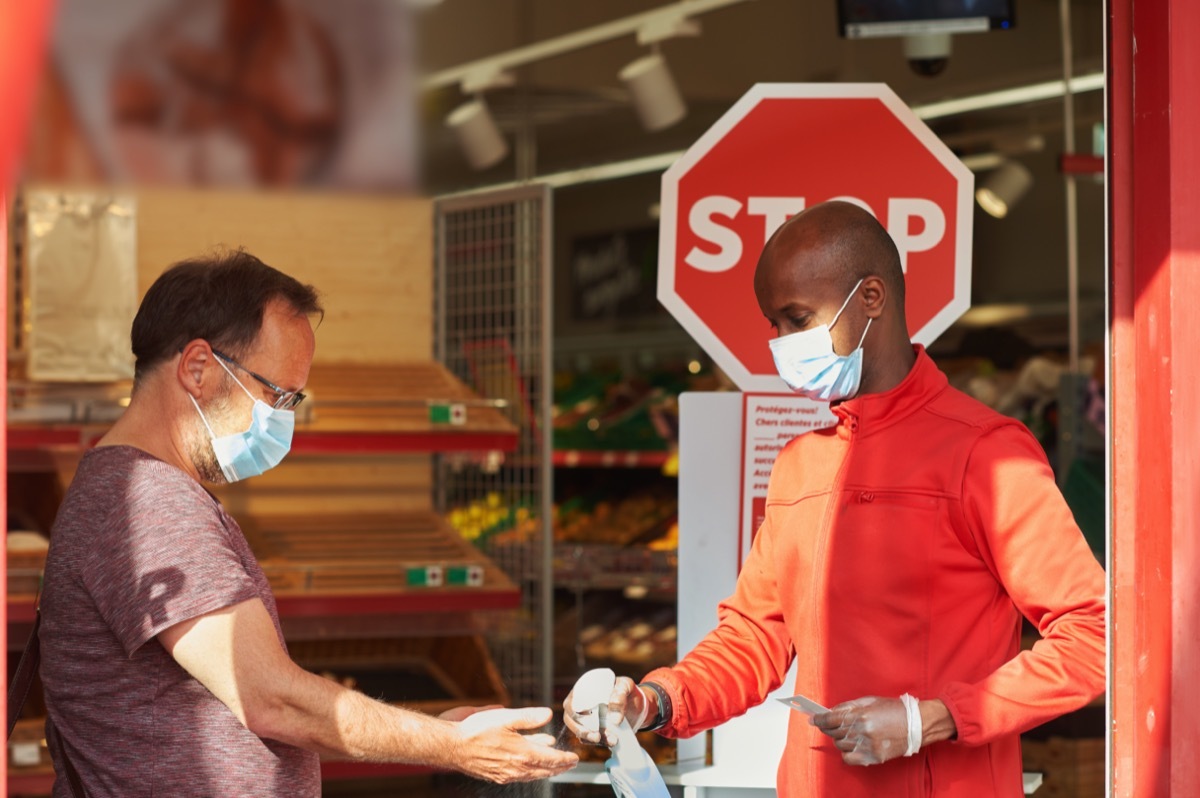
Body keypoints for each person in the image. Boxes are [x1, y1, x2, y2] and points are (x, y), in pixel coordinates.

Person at [564, 201, 1105, 797]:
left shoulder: (988, 453)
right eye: (775, 324)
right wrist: (654, 700)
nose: (781, 343)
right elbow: (752, 638)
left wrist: (928, 720)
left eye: (797, 319)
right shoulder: (799, 465)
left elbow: (1095, 636)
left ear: (871, 298)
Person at [38, 250, 578, 797]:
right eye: (277, 394)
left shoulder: (129, 489)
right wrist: (453, 746)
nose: (283, 420)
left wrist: (435, 730)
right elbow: (270, 697)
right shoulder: (150, 501)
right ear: (197, 368)